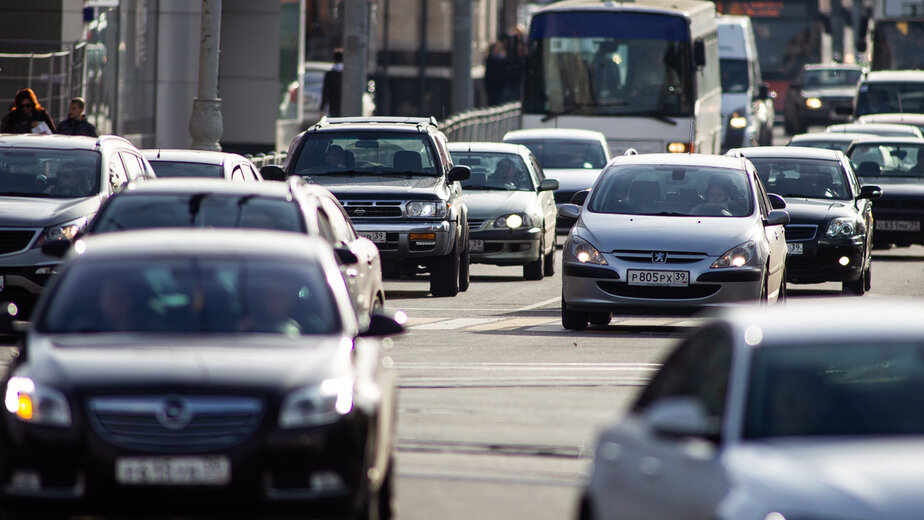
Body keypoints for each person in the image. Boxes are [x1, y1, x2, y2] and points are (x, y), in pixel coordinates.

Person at [321, 48, 344, 117]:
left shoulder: (330, 74)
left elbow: (326, 91)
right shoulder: (347, 75)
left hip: (334, 106)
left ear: (333, 59)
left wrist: (322, 107)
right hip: (347, 106)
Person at [484, 41, 507, 106]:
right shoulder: (489, 59)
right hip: (491, 86)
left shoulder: (503, 60)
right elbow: (488, 74)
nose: (497, 50)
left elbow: (504, 73)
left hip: (500, 86)